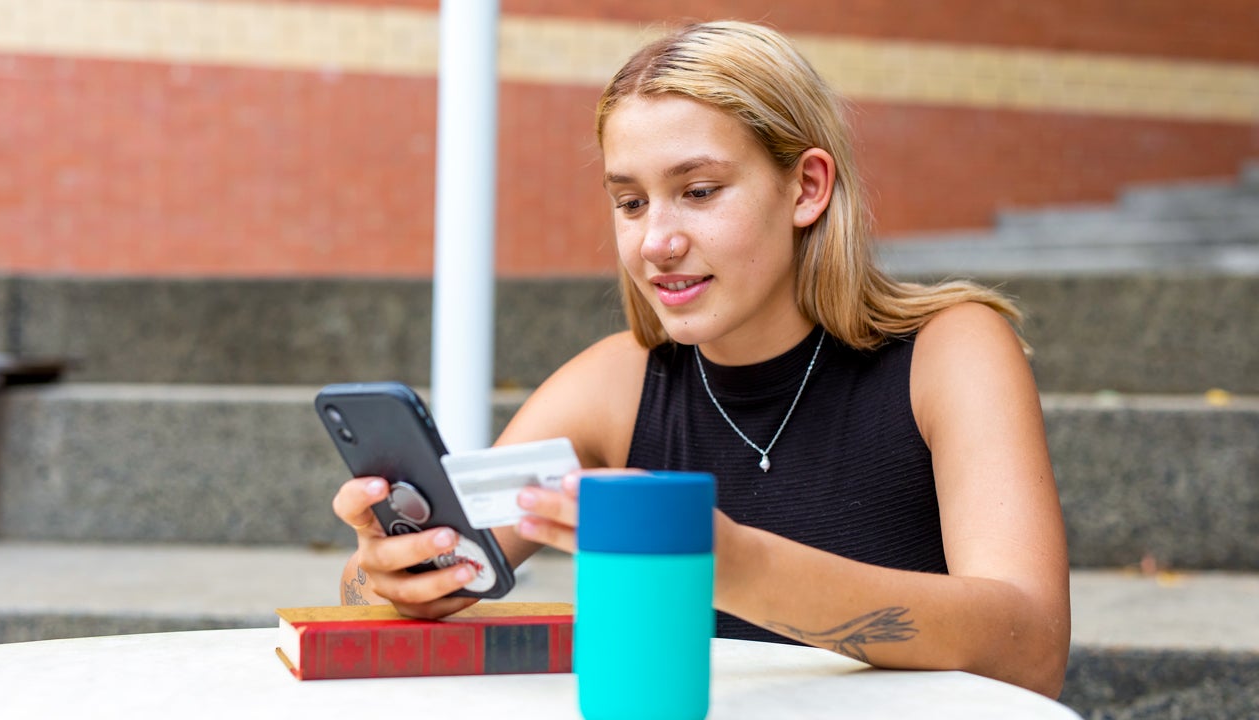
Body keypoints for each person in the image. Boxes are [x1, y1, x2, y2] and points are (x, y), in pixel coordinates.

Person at [332, 20, 1070, 697]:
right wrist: (388, 575)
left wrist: (735, 562)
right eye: (630, 203)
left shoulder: (950, 351)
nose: (656, 242)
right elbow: (394, 584)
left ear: (806, 188)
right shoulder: (614, 383)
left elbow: (1030, 646)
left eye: (700, 191)